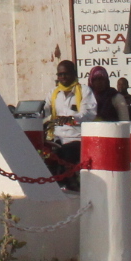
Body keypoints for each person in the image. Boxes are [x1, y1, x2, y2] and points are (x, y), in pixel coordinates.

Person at [46, 60, 93, 188]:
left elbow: (88, 114)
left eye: (66, 74)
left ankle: (71, 185)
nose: (63, 77)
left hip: (77, 138)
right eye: (60, 74)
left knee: (66, 153)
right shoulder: (54, 93)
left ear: (74, 74)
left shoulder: (84, 91)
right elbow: (46, 111)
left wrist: (71, 118)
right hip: (57, 138)